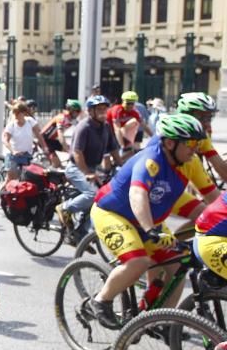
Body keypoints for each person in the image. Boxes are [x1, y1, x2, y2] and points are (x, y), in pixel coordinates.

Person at [89, 114, 217, 327]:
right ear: (169, 143)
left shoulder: (190, 162)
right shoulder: (151, 159)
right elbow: (138, 194)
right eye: (191, 143)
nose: (195, 148)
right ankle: (101, 300)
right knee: (139, 261)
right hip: (112, 213)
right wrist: (151, 229)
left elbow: (213, 200)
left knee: (177, 267)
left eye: (198, 143)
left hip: (148, 216)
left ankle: (158, 320)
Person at [55, 96, 123, 229]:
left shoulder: (106, 127)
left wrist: (123, 166)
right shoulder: (84, 127)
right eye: (99, 109)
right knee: (93, 194)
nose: (103, 112)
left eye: (104, 109)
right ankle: (65, 208)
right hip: (77, 168)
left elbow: (114, 149)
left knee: (101, 198)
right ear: (91, 111)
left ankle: (81, 234)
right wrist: (87, 172)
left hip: (93, 168)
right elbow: (77, 153)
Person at [175, 92, 227, 183]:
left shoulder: (203, 137)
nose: (207, 123)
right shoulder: (171, 138)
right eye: (201, 117)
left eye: (209, 118)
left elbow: (220, 166)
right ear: (185, 115)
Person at [2, 102, 48, 181]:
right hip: (13, 156)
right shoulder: (12, 125)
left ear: (23, 113)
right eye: (14, 113)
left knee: (28, 178)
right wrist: (13, 151)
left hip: (27, 155)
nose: (15, 116)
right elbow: (5, 140)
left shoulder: (30, 121)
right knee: (11, 179)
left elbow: (39, 135)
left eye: (18, 113)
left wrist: (44, 147)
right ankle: (3, 191)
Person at [41, 100, 82, 167]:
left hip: (52, 141)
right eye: (77, 111)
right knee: (57, 165)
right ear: (71, 110)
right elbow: (61, 136)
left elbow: (81, 129)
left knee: (74, 151)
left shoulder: (72, 119)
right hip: (44, 140)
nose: (79, 114)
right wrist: (68, 150)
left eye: (79, 111)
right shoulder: (62, 118)